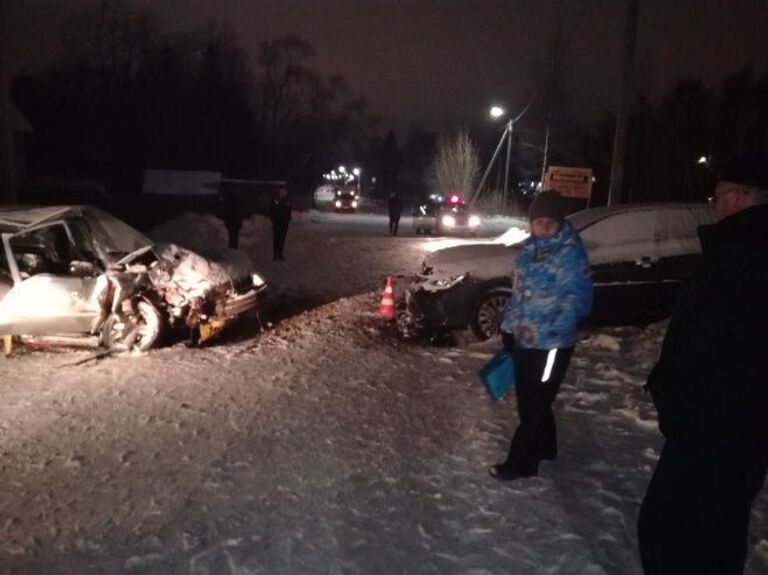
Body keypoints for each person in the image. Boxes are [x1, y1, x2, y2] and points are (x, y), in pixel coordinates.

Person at [638, 154, 768, 575]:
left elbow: (700, 340)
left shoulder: (736, 255)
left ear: (741, 197)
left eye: (718, 196)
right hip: (751, 426)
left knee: (665, 527)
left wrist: (669, 394)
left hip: (712, 420)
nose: (714, 204)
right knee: (724, 527)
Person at [490, 190, 593, 481]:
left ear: (560, 222)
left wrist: (552, 331)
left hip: (551, 345)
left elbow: (581, 300)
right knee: (530, 399)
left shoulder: (570, 254)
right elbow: (519, 297)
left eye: (550, 221)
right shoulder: (528, 251)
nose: (544, 227)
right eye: (539, 221)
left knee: (534, 402)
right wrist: (508, 329)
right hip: (525, 341)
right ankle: (546, 447)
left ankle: (522, 462)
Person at [269, 187, 292, 261]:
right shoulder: (275, 200)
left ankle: (280, 254)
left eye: (284, 192)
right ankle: (275, 255)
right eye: (281, 192)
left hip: (284, 223)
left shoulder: (287, 201)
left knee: (282, 239)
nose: (283, 194)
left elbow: (289, 211)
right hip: (277, 223)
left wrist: (288, 219)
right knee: (276, 239)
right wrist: (273, 219)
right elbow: (271, 210)